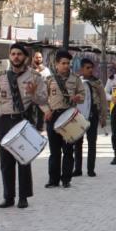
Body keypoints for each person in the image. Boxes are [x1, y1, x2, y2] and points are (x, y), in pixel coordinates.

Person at [0, 43, 48, 209]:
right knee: (5, 161)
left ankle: (23, 197)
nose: (16, 57)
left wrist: (33, 93)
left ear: (25, 57)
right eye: (13, 54)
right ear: (10, 56)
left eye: (19, 54)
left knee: (23, 160)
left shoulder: (34, 77)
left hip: (23, 120)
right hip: (5, 120)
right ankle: (8, 197)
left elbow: (43, 100)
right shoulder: (1, 76)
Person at [44, 50, 85, 189]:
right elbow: (43, 98)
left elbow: (82, 94)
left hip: (69, 116)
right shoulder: (50, 80)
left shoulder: (76, 79)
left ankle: (66, 179)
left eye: (68, 63)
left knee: (68, 149)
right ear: (56, 64)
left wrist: (78, 97)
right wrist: (47, 111)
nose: (66, 66)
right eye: (63, 63)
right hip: (54, 115)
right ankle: (53, 179)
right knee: (54, 151)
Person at [73, 58, 107, 177]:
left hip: (93, 114)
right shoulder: (77, 81)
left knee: (92, 143)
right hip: (79, 115)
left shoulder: (97, 82)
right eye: (87, 68)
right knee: (78, 143)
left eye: (92, 68)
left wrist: (104, 116)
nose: (90, 70)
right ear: (82, 69)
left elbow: (103, 99)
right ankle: (77, 169)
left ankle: (90, 169)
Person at [31, 51, 51, 131]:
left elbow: (50, 83)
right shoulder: (29, 70)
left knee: (40, 120)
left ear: (42, 59)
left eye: (40, 57)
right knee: (31, 118)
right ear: (33, 58)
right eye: (36, 57)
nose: (38, 59)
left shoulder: (46, 71)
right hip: (31, 98)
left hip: (42, 98)